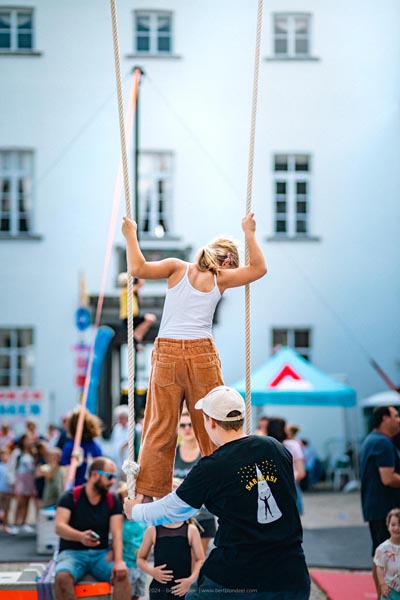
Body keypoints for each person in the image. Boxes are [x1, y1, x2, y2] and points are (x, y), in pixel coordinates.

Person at [122, 213, 266, 500]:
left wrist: (130, 234)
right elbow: (259, 269)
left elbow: (136, 267)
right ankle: (224, 486)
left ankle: (149, 492)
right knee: (213, 419)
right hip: (202, 352)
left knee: (160, 424)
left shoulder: (177, 267)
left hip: (168, 354)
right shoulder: (220, 278)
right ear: (227, 260)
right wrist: (249, 232)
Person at [124, 386, 310, 599]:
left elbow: (174, 510)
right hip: (290, 574)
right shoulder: (276, 448)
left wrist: (135, 511)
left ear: (210, 422)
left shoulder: (212, 466)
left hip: (237, 578)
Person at [54, 457, 130, 600]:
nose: (113, 481)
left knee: (122, 575)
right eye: (109, 476)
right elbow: (59, 527)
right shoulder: (70, 497)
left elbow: (117, 533)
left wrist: (119, 561)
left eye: (114, 477)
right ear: (95, 475)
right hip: (72, 552)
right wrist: (80, 536)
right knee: (62, 577)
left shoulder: (112, 500)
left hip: (100, 554)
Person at [137, 478, 204, 599]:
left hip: (183, 588)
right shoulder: (153, 530)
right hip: (159, 589)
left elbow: (200, 560)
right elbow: (141, 559)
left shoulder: (190, 530)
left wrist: (190, 581)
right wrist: (152, 572)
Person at [360, 405, 400, 596]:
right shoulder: (382, 443)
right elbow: (388, 477)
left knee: (379, 555)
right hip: (386, 509)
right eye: (395, 415)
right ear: (384, 419)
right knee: (387, 555)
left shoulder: (372, 440)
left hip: (376, 508)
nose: (399, 419)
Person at [174, 411, 216, 555]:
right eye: (182, 425)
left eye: (190, 425)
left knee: (197, 563)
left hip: (203, 516)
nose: (187, 428)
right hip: (178, 517)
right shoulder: (172, 453)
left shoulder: (206, 452)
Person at [267, 417, 306, 515]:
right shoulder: (292, 445)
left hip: (269, 487)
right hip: (290, 484)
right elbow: (301, 472)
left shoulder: (264, 446)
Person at [116, 483, 147, 600]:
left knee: (136, 594)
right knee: (125, 593)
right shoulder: (119, 521)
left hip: (140, 565)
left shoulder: (143, 519)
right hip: (126, 564)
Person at [61, 409, 103, 486]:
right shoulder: (96, 447)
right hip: (93, 491)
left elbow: (67, 476)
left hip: (76, 492)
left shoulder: (70, 448)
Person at [118, 273, 156, 351]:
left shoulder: (131, 292)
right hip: (129, 317)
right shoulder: (126, 291)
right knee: (150, 318)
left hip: (133, 316)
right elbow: (140, 285)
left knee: (150, 320)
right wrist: (140, 274)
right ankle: (136, 337)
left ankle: (137, 339)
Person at [374, 508, 400, 600]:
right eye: (393, 525)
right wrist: (382, 584)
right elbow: (379, 567)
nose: (397, 528)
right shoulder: (383, 548)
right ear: (388, 526)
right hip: (390, 591)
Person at [110, 405, 130, 473]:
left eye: (121, 418)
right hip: (117, 462)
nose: (119, 420)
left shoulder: (132, 428)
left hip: (128, 462)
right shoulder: (117, 428)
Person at [0, 447, 12, 533]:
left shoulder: (10, 466)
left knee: (6, 509)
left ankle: (5, 525)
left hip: (8, 490)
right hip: (1, 490)